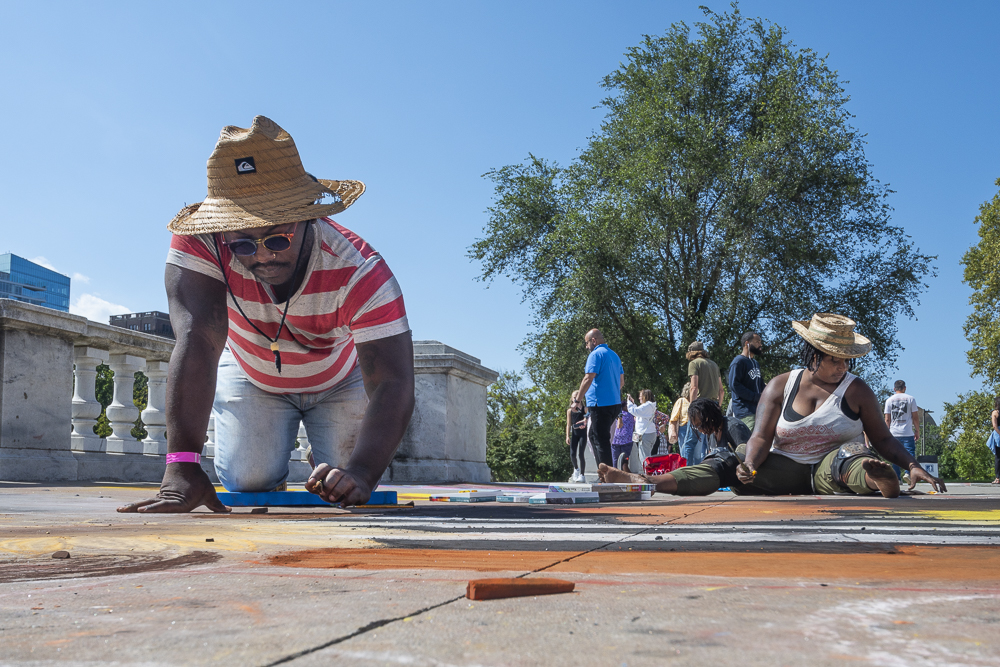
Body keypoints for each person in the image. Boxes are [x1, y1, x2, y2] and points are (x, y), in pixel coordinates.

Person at [119, 116, 415, 514]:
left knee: (346, 483)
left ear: (308, 215)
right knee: (248, 480)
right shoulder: (202, 243)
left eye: (277, 238)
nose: (261, 255)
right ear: (222, 232)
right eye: (242, 243)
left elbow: (394, 382)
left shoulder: (359, 270)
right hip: (251, 374)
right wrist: (181, 466)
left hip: (339, 380)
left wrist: (361, 472)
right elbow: (199, 340)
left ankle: (325, 457)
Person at [599, 313, 946, 498]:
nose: (842, 367)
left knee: (853, 457)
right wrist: (748, 465)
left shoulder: (857, 391)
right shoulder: (781, 385)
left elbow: (883, 439)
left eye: (847, 361)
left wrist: (912, 464)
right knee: (726, 459)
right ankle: (646, 482)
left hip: (830, 469)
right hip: (781, 467)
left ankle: (880, 481)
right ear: (813, 354)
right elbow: (761, 437)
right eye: (835, 360)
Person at [576, 329, 624, 466]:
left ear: (593, 341)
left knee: (601, 440)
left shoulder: (595, 354)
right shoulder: (614, 355)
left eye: (586, 343)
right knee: (593, 436)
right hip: (614, 404)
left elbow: (588, 378)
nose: (586, 347)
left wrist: (577, 400)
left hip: (600, 405)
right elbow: (621, 382)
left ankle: (607, 476)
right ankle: (603, 473)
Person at [679, 341, 723, 465]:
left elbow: (694, 387)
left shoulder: (694, 363)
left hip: (700, 406)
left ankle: (686, 471)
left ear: (691, 353)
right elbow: (721, 390)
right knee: (709, 442)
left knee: (689, 441)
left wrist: (692, 409)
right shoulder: (714, 365)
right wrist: (718, 407)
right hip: (713, 405)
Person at [728, 332, 765, 431]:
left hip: (758, 410)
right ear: (747, 343)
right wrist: (754, 396)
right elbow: (734, 385)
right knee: (750, 441)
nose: (760, 345)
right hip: (745, 411)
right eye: (757, 342)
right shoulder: (738, 362)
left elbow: (761, 384)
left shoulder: (755, 363)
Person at [884, 380, 920, 480]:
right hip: (907, 432)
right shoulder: (911, 399)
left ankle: (896, 477)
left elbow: (887, 419)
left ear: (894, 389)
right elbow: (915, 417)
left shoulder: (889, 400)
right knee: (909, 454)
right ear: (905, 388)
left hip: (894, 433)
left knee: (895, 455)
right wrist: (917, 430)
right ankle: (908, 473)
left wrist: (886, 433)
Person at [627, 389, 660, 468]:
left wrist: (629, 402)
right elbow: (639, 411)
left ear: (645, 396)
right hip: (650, 433)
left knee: (644, 457)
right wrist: (633, 403)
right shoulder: (650, 406)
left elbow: (634, 411)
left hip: (646, 434)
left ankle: (647, 475)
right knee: (647, 455)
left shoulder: (647, 405)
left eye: (641, 396)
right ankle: (648, 473)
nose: (639, 398)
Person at [566, 391, 588, 483]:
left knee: (581, 454)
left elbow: (589, 420)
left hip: (583, 433)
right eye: (574, 397)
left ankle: (582, 475)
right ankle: (576, 468)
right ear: (571, 398)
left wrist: (585, 422)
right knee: (572, 453)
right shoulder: (570, 411)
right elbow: (568, 424)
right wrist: (567, 436)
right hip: (574, 433)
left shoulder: (585, 409)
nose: (575, 399)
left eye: (577, 397)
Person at [612, 398, 636, 470]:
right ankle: (623, 474)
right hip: (627, 440)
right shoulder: (630, 416)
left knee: (615, 460)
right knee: (625, 460)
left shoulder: (615, 415)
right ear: (625, 407)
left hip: (615, 440)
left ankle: (614, 474)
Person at [668, 382, 691, 456]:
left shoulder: (698, 401)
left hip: (697, 428)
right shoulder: (681, 401)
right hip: (684, 429)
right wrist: (674, 431)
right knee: (685, 452)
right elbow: (674, 418)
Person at [988, 396, 1000, 485]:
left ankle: (997, 478)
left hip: (998, 434)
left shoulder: (995, 412)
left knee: (998, 457)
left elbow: (994, 426)